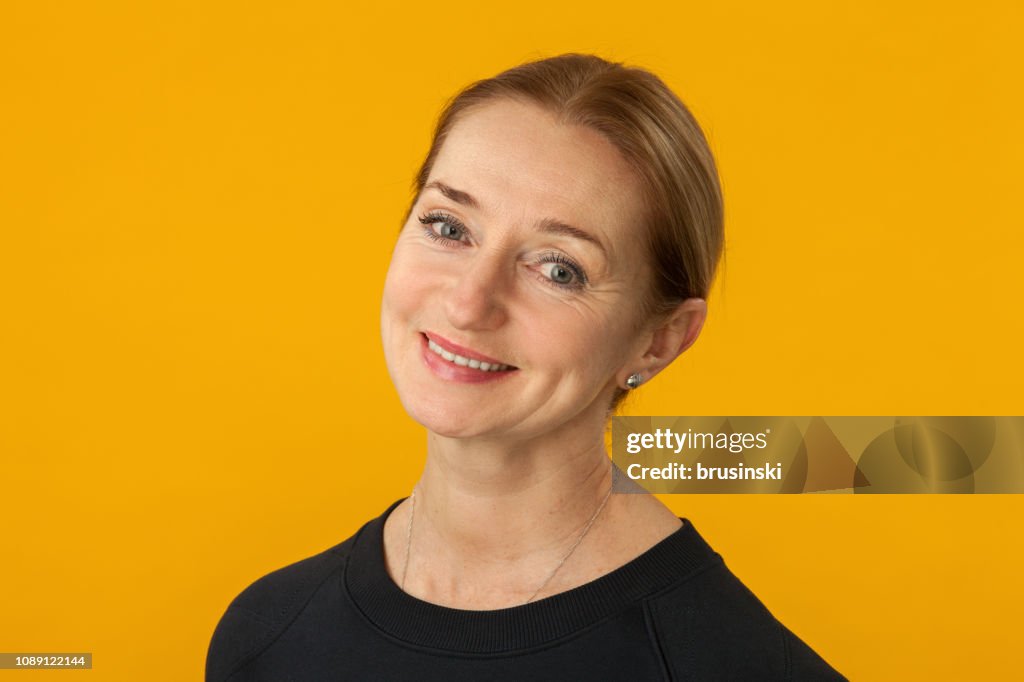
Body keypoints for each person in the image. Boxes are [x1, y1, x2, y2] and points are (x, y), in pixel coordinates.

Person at [206, 53, 845, 680]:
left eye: (558, 269)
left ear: (659, 341)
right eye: (449, 227)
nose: (468, 303)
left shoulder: (726, 661)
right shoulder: (267, 635)